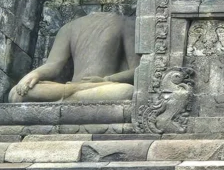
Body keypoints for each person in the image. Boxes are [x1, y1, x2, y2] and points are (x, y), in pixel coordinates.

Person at [9, 12, 137, 103]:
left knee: (127, 91)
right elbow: (53, 66)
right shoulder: (68, 28)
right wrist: (32, 76)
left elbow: (138, 70)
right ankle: (74, 93)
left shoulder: (124, 23)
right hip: (76, 88)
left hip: (102, 86)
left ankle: (69, 96)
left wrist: (106, 79)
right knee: (16, 93)